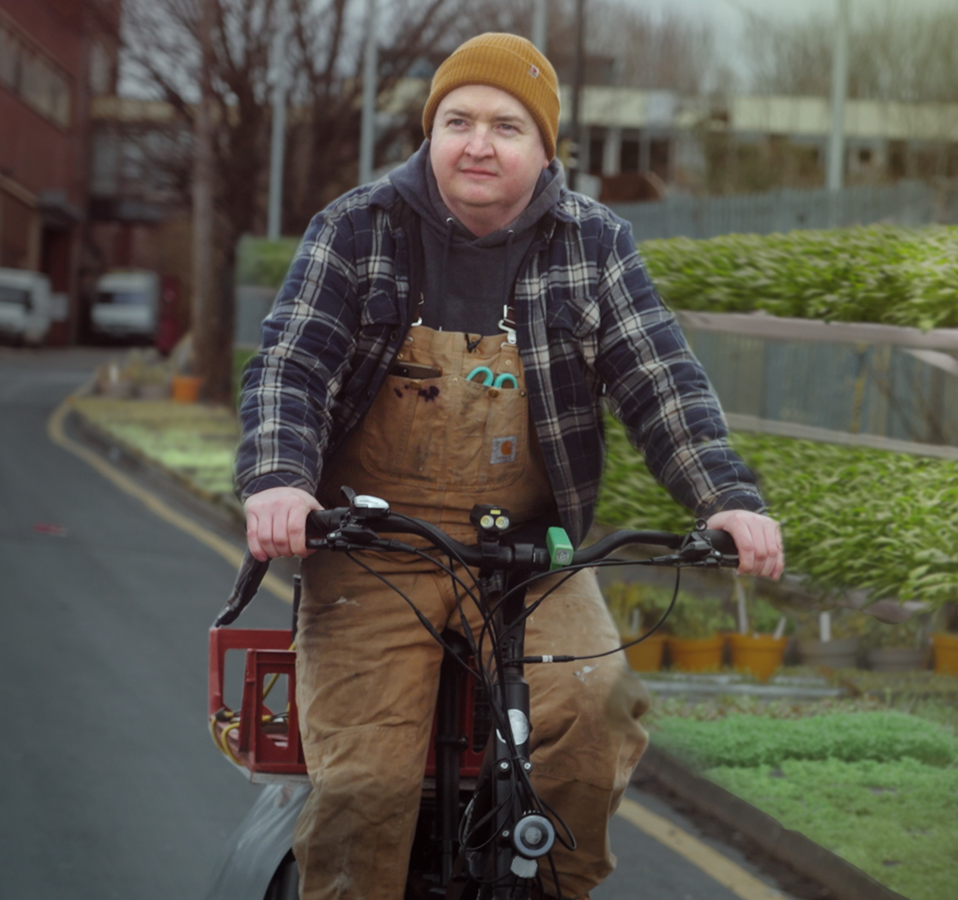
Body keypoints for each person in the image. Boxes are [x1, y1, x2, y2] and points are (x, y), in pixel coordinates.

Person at [234, 32, 783, 900]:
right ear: (430, 133)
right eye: (458, 120)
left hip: (532, 550)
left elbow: (661, 381)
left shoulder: (594, 244)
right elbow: (291, 367)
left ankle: (552, 890)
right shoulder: (355, 227)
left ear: (545, 147)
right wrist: (279, 480)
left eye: (506, 125)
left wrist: (728, 499)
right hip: (374, 544)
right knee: (366, 779)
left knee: (597, 711)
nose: (478, 143)